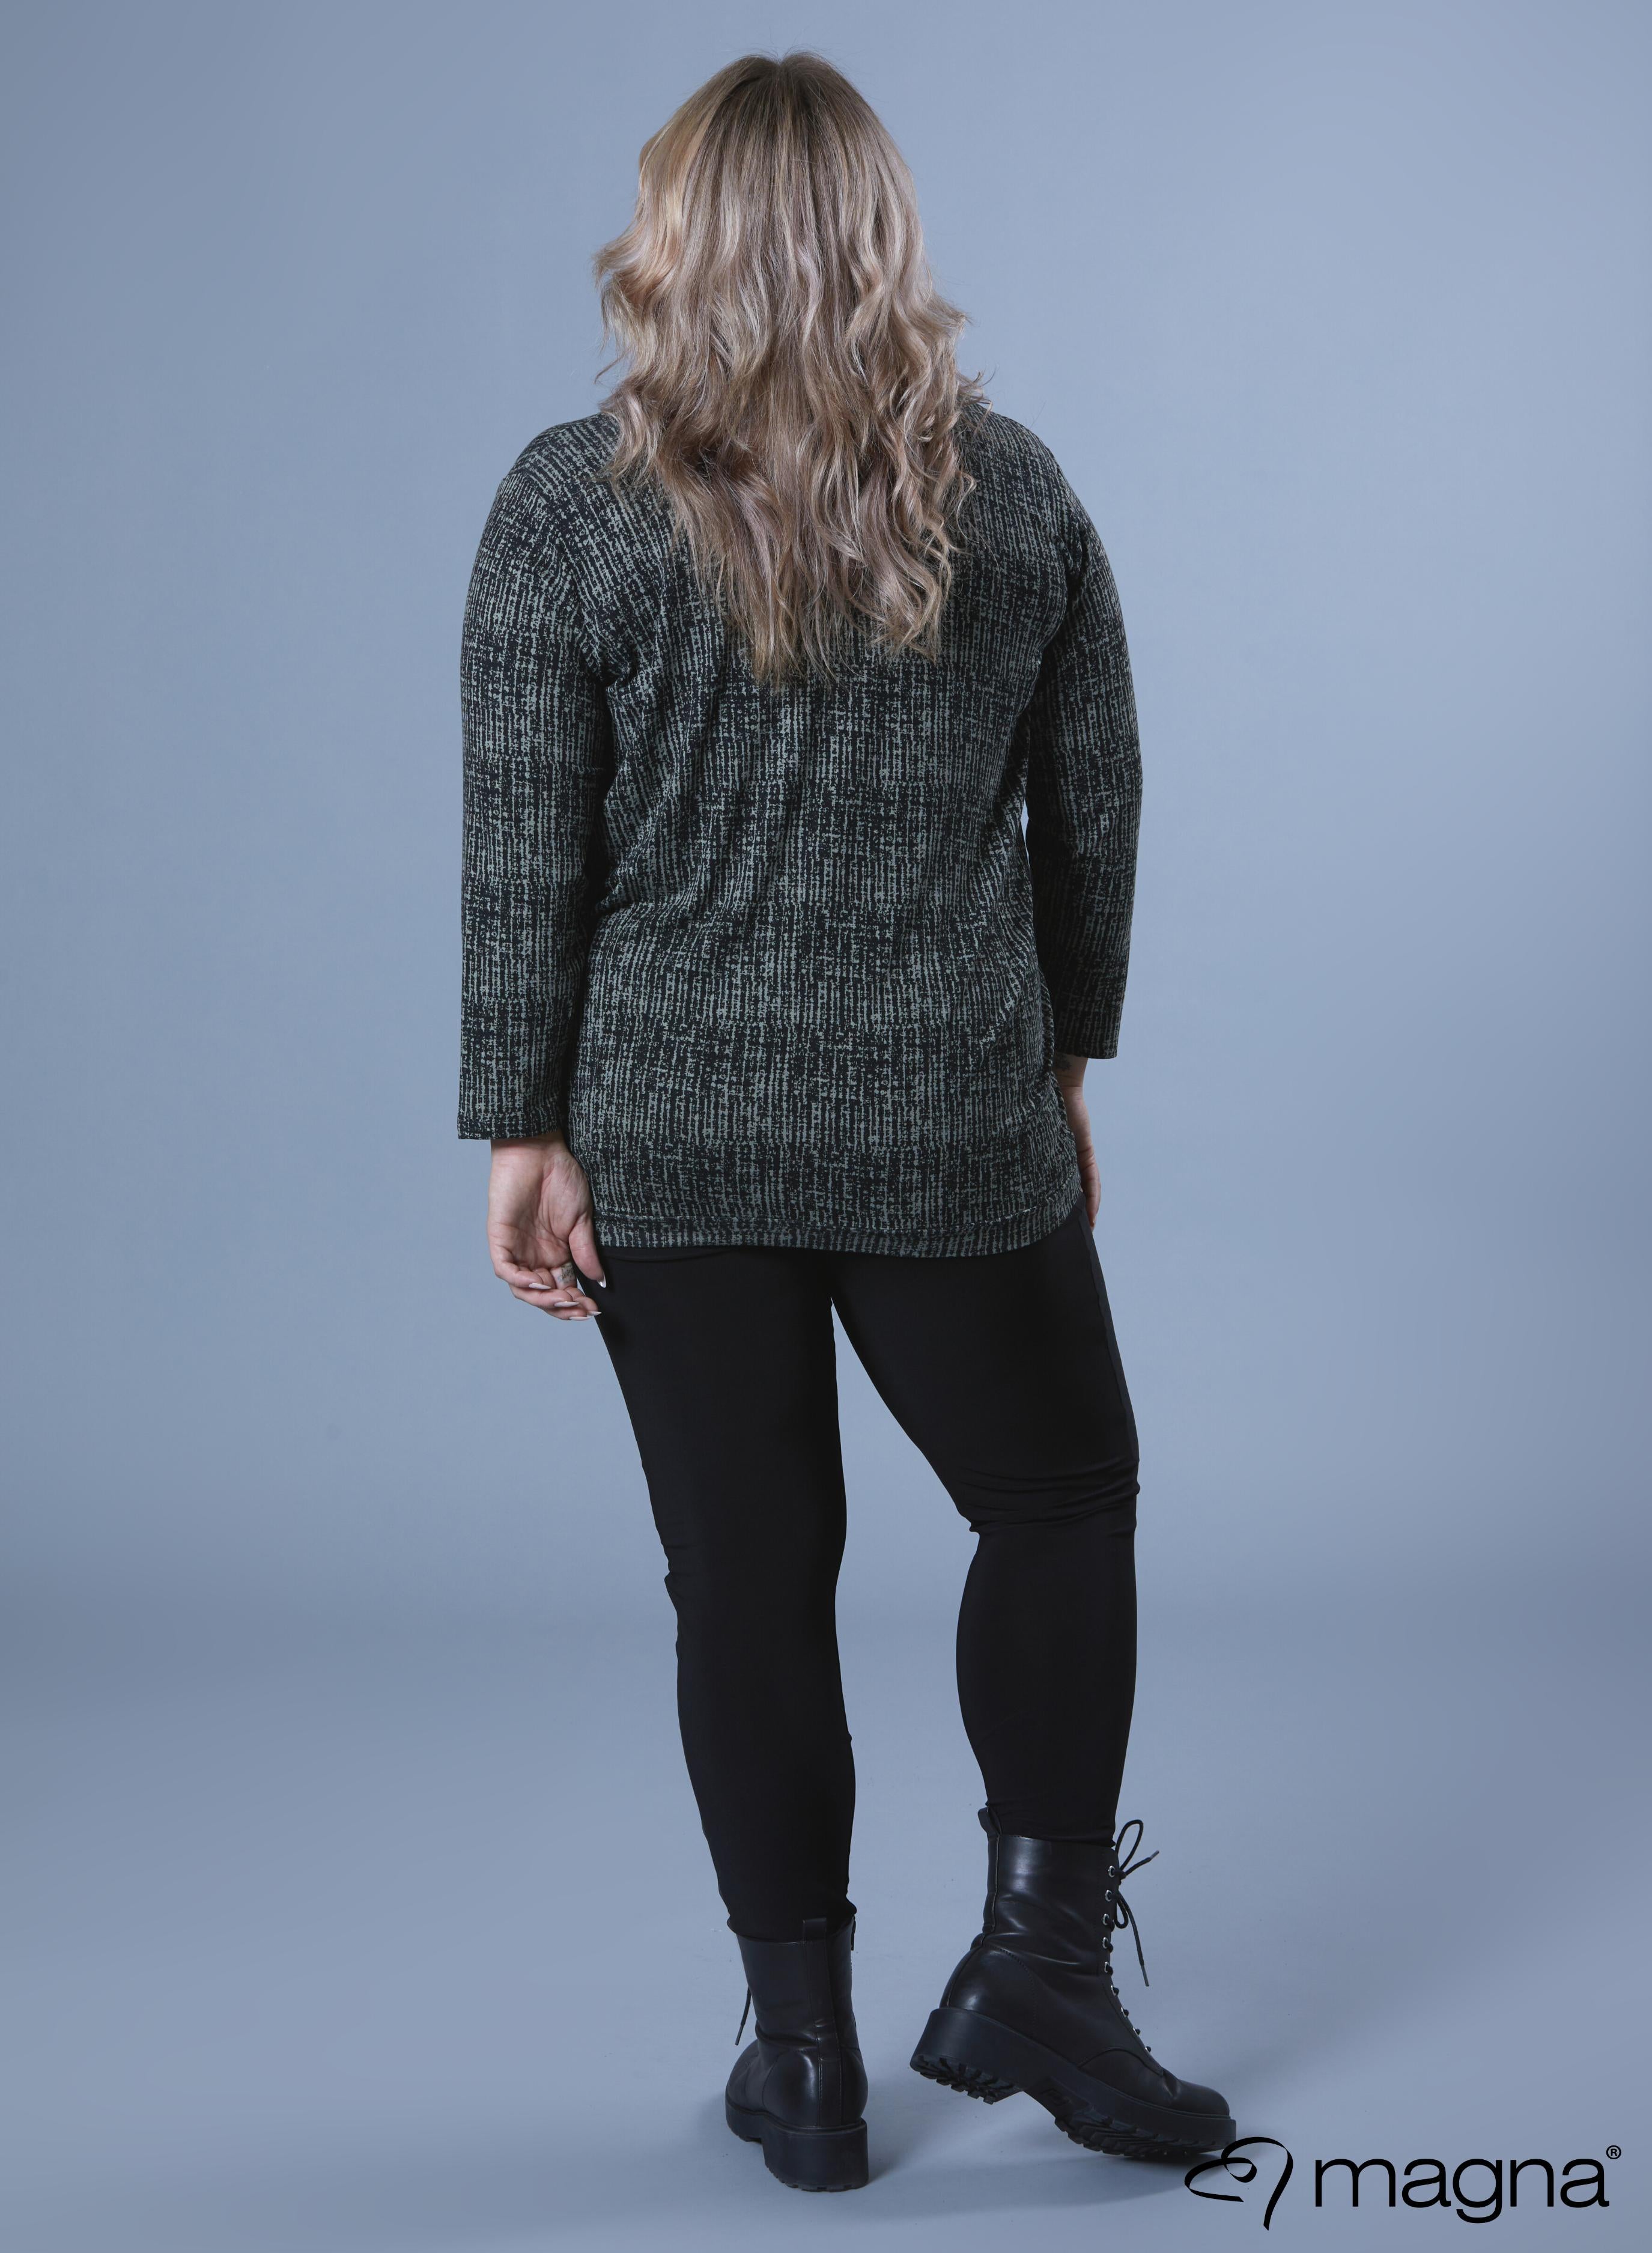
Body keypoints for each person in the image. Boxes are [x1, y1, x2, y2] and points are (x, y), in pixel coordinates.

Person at [458, 50, 1233, 2195]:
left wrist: (522, 1122)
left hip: (671, 1122)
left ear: (672, 237)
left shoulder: (565, 503)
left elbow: (527, 841)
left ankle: (804, 2062)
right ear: (884, 234)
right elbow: (1095, 810)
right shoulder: (1017, 494)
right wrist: (1060, 1059)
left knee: (749, 1578)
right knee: (1061, 1502)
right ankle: (1040, 1970)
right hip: (946, 1111)